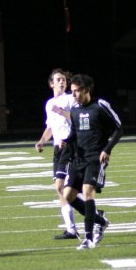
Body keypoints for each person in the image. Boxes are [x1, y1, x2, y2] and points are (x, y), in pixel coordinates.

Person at [62, 74, 123, 250]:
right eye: (72, 91)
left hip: (96, 158)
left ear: (86, 90)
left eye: (76, 91)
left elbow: (119, 129)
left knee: (87, 192)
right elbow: (74, 133)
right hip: (78, 159)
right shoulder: (74, 110)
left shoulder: (100, 106)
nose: (73, 95)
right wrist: (66, 142)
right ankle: (100, 220)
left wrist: (107, 149)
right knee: (68, 196)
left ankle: (89, 238)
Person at [35, 68, 79, 239]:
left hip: (69, 147)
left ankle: (88, 219)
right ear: (51, 84)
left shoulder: (69, 99)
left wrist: (61, 112)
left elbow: (77, 118)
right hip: (57, 150)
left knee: (62, 187)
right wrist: (41, 141)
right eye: (58, 80)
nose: (62, 82)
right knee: (61, 190)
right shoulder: (49, 103)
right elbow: (51, 127)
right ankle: (72, 229)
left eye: (64, 80)